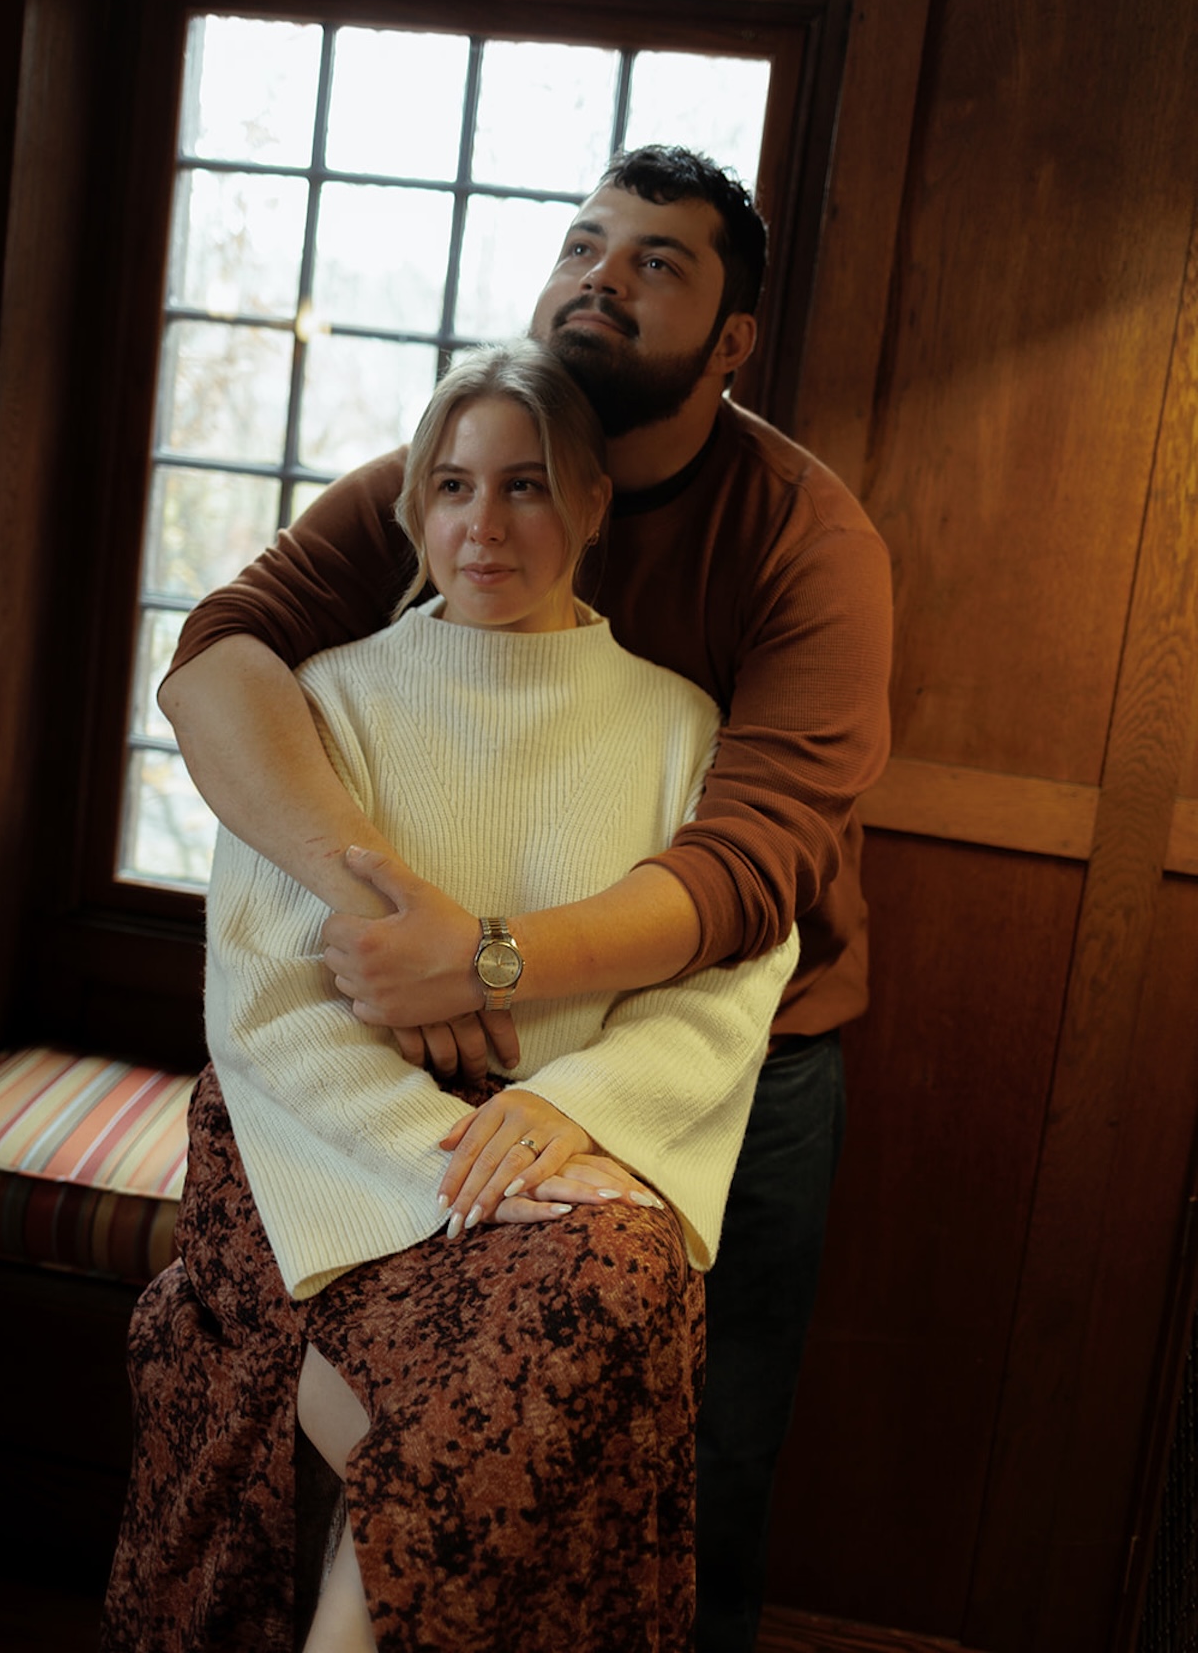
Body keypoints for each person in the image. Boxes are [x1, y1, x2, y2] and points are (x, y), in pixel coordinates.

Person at [159, 146, 893, 1652]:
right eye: (582, 245)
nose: (598, 283)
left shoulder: (806, 544)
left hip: (717, 1058)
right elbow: (222, 656)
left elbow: (747, 880)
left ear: (733, 339)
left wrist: (486, 976)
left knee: (708, 1462)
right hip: (389, 1070)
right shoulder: (457, 471)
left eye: (655, 264)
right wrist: (389, 922)